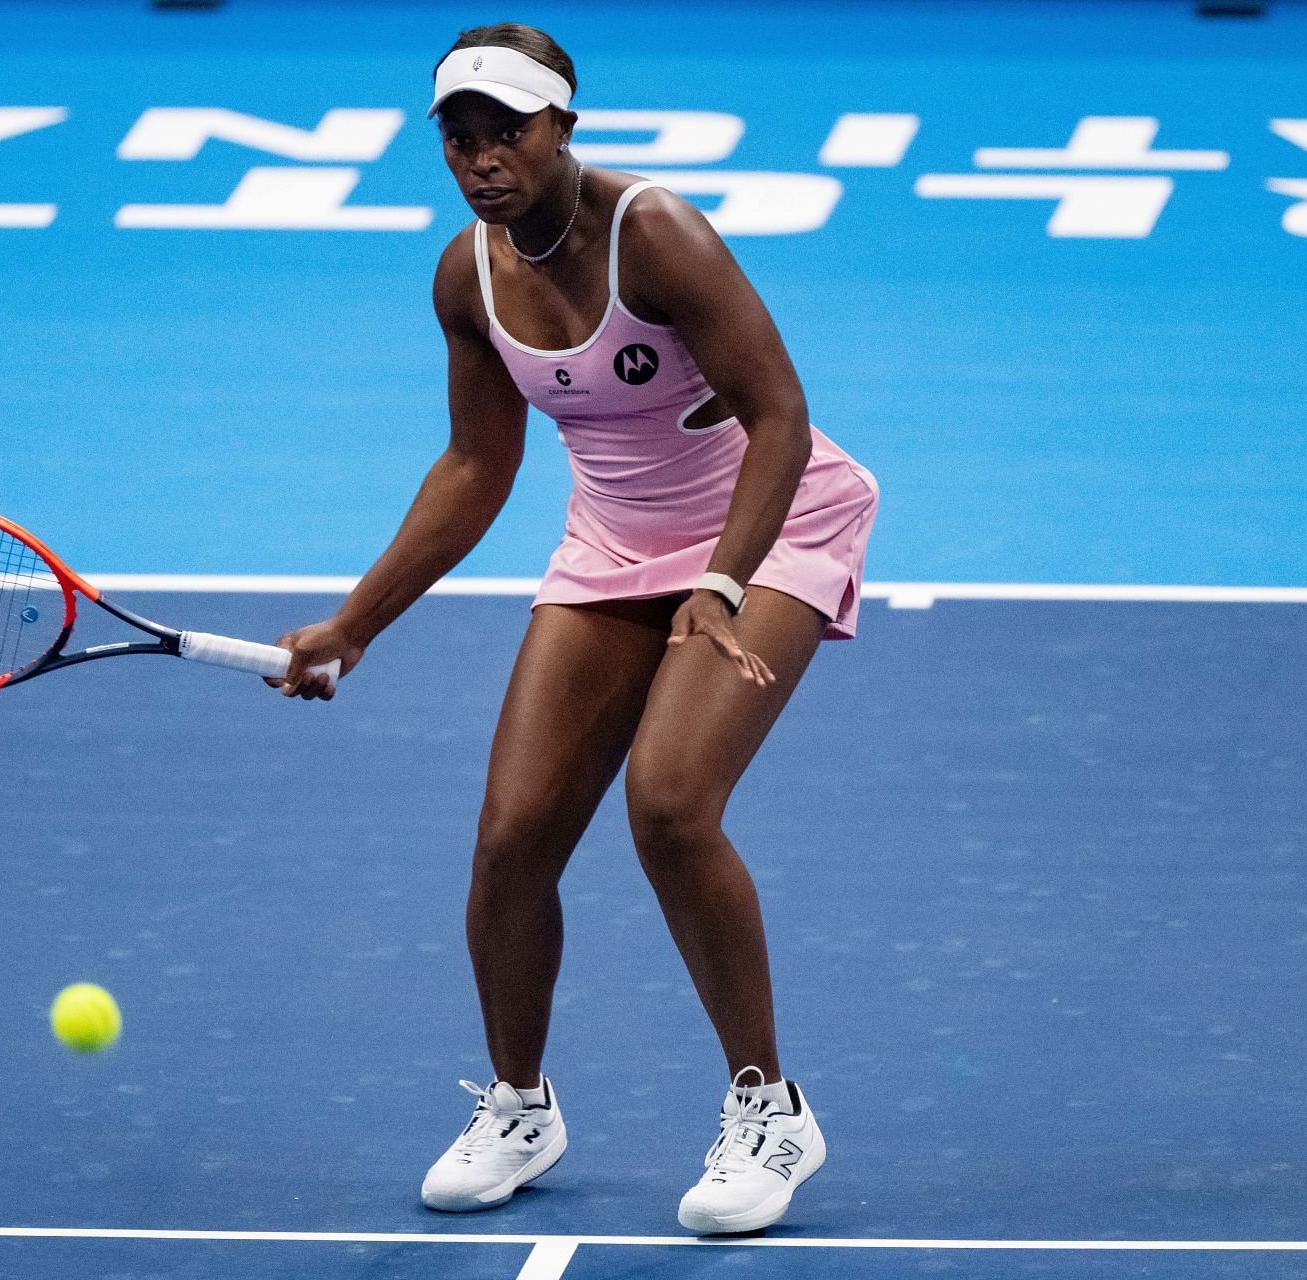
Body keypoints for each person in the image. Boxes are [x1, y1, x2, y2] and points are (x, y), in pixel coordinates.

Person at [268, 22, 879, 1235]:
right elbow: (475, 467)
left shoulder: (655, 234)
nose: (484, 158)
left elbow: (783, 418)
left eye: (509, 131)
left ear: (564, 128)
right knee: (511, 840)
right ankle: (519, 1101)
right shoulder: (467, 276)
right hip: (612, 544)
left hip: (771, 521)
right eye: (461, 136)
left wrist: (720, 580)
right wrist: (358, 621)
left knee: (668, 803)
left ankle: (771, 1109)